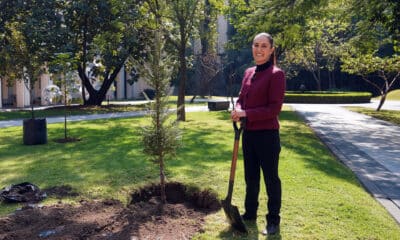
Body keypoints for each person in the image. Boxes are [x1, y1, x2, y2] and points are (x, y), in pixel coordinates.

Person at [231, 32, 286, 235]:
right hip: (249, 134)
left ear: (271, 50)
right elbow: (241, 98)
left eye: (264, 46)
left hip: (268, 136)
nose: (259, 49)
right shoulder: (248, 72)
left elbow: (274, 109)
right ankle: (250, 213)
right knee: (251, 176)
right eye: (256, 45)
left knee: (271, 179)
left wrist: (246, 113)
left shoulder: (276, 74)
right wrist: (237, 109)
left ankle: (273, 220)